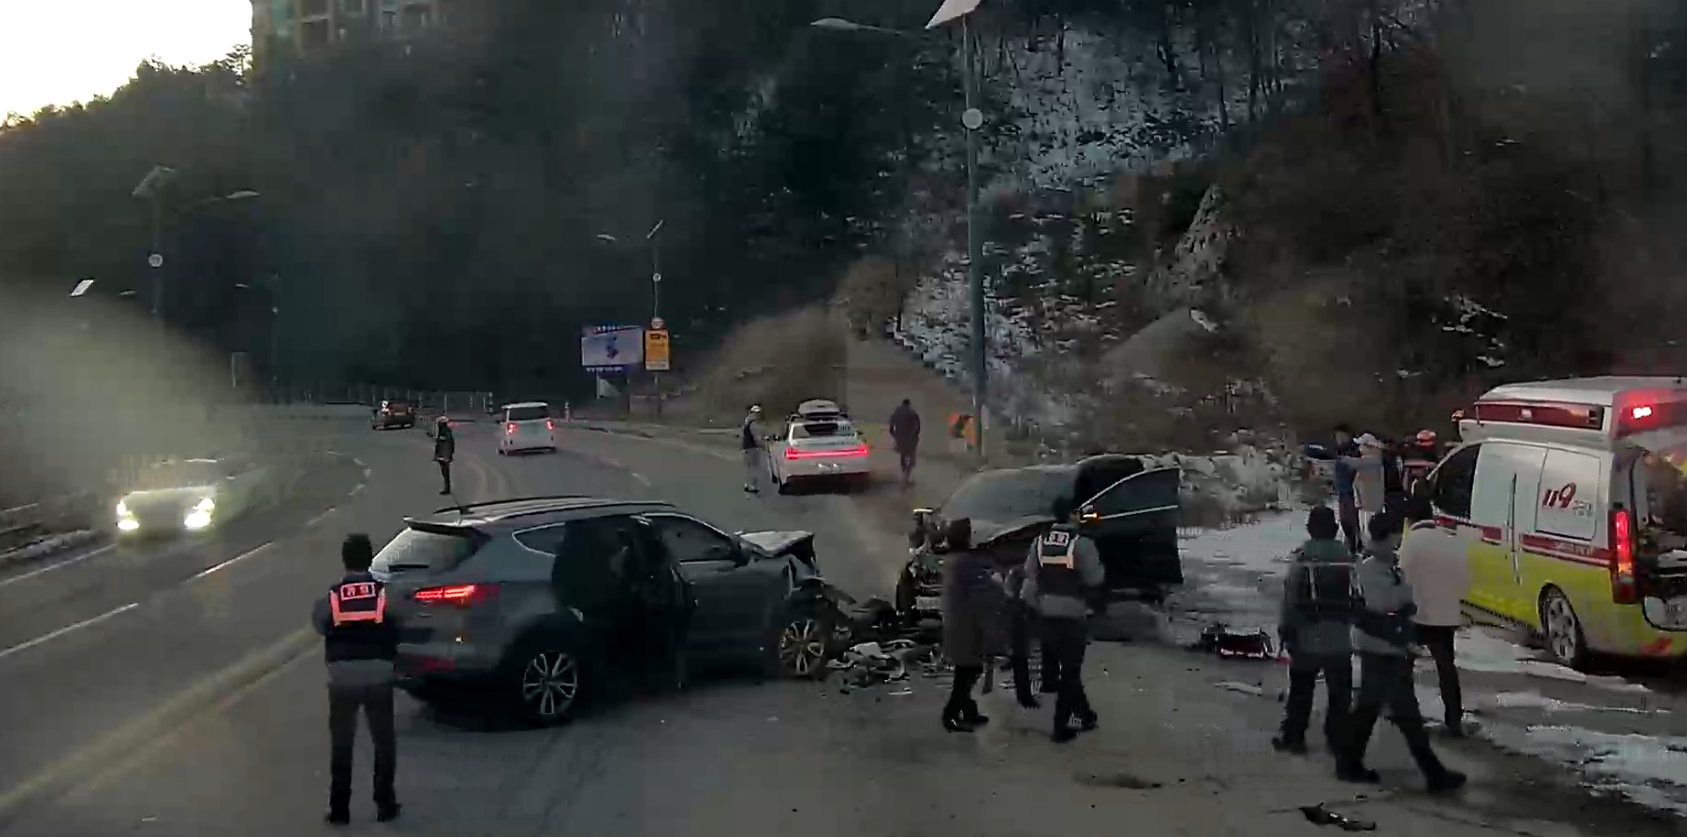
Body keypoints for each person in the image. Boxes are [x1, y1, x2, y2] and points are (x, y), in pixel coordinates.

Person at [1339, 511, 1466, 792]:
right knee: (1396, 714)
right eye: (1395, 535)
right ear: (1386, 537)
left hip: (1387, 648)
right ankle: (1433, 775)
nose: (1398, 540)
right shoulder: (1370, 569)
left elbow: (1397, 604)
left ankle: (1351, 764)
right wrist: (1402, 617)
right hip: (1380, 649)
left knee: (1383, 711)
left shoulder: (1387, 566)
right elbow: (1380, 612)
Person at [312, 534, 402, 825]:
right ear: (370, 558)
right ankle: (385, 804)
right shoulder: (384, 594)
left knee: (342, 743)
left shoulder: (333, 596)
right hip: (379, 675)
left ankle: (340, 809)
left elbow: (319, 624)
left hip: (342, 678)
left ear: (344, 560)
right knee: (383, 741)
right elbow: (398, 622)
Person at [1020, 496, 1105, 743]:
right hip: (1073, 616)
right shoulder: (1082, 543)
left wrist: (1037, 607)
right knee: (1070, 671)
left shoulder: (1039, 542)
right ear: (1071, 515)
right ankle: (1060, 727)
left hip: (1046, 615)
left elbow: (1029, 581)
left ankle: (1085, 715)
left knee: (1065, 669)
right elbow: (1095, 579)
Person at [1273, 505, 1356, 756]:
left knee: (1301, 690)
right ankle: (1338, 737)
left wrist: (1286, 631)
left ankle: (1294, 737)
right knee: (1340, 693)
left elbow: (1291, 598)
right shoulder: (1347, 558)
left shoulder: (1303, 557)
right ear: (1335, 529)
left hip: (1307, 637)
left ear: (1310, 529)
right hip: (1340, 637)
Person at [1397, 494, 1467, 736]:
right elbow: (1462, 577)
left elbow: (1403, 579)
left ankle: (1407, 714)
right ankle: (1454, 719)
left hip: (1417, 616)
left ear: (1410, 519)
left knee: (1404, 667)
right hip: (1445, 615)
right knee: (1446, 669)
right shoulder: (1449, 540)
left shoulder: (1411, 543)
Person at [940, 517, 999, 732]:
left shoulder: (952, 559)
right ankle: (950, 715)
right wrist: (996, 583)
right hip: (966, 624)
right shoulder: (966, 562)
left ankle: (968, 711)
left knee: (964, 670)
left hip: (956, 621)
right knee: (970, 670)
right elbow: (984, 589)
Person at [1304, 424, 1363, 553]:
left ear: (1349, 436)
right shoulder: (1340, 451)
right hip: (1342, 493)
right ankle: (1352, 547)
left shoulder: (1353, 450)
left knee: (1351, 523)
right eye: (1337, 437)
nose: (1339, 439)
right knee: (1345, 522)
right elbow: (1321, 454)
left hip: (1352, 494)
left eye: (1341, 436)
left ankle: (1356, 548)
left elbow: (1326, 454)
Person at [1002, 562, 1042, 709]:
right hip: (1020, 617)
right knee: (1021, 659)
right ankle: (1024, 696)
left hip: (1015, 616)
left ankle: (1024, 694)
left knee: (1019, 656)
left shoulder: (1015, 573)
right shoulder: (1027, 578)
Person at [889, 399, 922, 487]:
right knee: (910, 457)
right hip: (910, 438)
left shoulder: (897, 412)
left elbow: (891, 426)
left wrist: (895, 435)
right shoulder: (912, 412)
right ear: (909, 404)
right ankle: (906, 477)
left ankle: (904, 473)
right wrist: (915, 436)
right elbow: (917, 426)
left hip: (899, 438)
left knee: (903, 455)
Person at [739, 404, 764, 494]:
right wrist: (763, 445)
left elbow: (743, 435)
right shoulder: (753, 423)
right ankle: (753, 486)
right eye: (757, 413)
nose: (758, 415)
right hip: (752, 448)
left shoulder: (747, 421)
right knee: (755, 467)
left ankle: (747, 484)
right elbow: (756, 437)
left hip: (746, 448)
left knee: (748, 467)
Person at [433, 415, 455, 496]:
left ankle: (447, 488)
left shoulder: (445, 432)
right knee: (444, 472)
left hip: (444, 456)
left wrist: (447, 456)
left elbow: (448, 444)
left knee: (445, 472)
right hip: (442, 455)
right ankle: (447, 487)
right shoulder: (443, 432)